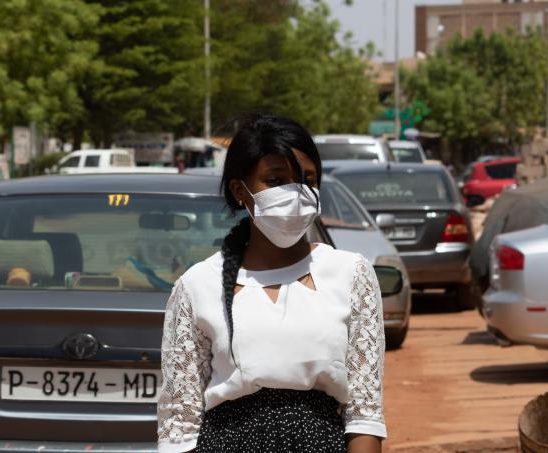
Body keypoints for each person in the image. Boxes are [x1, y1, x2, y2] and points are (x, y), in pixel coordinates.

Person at [157, 114, 386, 453]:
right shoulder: (196, 286)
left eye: (307, 178)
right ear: (240, 192)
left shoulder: (351, 274)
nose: (295, 193)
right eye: (276, 180)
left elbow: (364, 413)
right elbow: (180, 425)